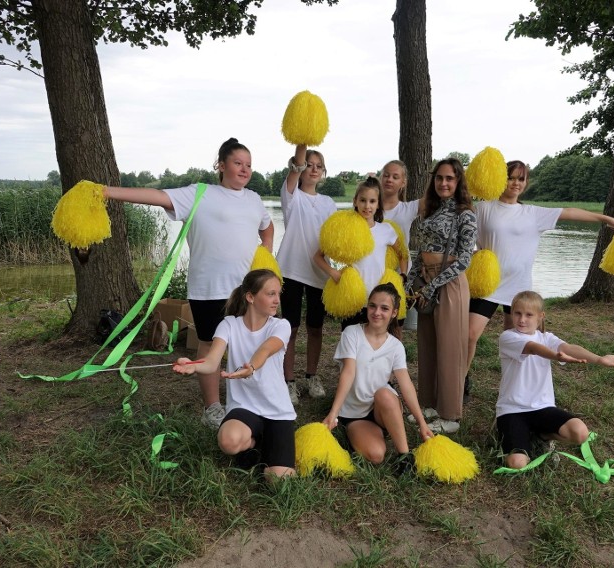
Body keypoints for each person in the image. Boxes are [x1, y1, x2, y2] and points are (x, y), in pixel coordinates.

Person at [104, 138, 273, 430]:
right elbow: (156, 196)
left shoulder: (254, 199)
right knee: (210, 348)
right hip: (210, 290)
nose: (245, 169)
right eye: (238, 163)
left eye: (248, 164)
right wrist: (106, 192)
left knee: (248, 346)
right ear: (221, 165)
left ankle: (245, 403)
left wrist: (266, 254)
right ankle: (212, 408)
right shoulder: (200, 194)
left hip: (247, 291)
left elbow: (267, 226)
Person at [467, 160, 614, 382]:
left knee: (521, 341)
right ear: (501, 179)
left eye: (521, 179)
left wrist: (603, 218)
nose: (516, 183)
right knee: (470, 335)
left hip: (519, 288)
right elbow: (463, 234)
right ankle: (460, 382)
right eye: (511, 177)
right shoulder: (483, 208)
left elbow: (569, 212)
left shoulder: (532, 213)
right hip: (488, 284)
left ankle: (516, 384)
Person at [172, 269, 295, 480]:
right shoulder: (229, 324)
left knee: (280, 481)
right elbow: (211, 362)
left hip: (278, 411)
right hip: (244, 407)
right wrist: (194, 366)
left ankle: (267, 445)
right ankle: (254, 444)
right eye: (271, 294)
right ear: (250, 297)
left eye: (278, 294)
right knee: (229, 442)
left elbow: (265, 349)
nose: (277, 300)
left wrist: (252, 367)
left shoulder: (281, 325)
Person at [496, 291, 614, 469]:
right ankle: (513, 438)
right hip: (512, 410)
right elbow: (533, 348)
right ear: (511, 313)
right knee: (517, 464)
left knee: (580, 433)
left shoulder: (547, 338)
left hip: (542, 407)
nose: (522, 319)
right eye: (517, 313)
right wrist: (556, 355)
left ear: (540, 317)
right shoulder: (507, 337)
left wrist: (599, 359)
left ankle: (542, 437)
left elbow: (569, 347)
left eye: (529, 315)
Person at [322, 283, 433, 472]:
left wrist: (422, 424)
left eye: (384, 308)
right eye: (372, 306)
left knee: (385, 393)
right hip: (356, 414)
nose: (377, 312)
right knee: (376, 455)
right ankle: (372, 432)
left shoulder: (396, 346)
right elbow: (348, 372)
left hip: (381, 407)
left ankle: (405, 457)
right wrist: (334, 413)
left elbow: (405, 384)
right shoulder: (352, 333)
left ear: (394, 313)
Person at [408, 158, 477, 434]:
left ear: (458, 181)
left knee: (450, 348)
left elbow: (464, 259)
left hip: (448, 283)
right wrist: (412, 283)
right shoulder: (427, 212)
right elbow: (418, 253)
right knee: (427, 345)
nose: (444, 183)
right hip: (425, 281)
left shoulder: (465, 214)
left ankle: (450, 414)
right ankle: (428, 404)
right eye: (439, 178)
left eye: (450, 178)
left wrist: (434, 285)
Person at [276, 143, 337, 405]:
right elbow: (295, 169)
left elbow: (337, 238)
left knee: (315, 327)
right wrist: (303, 140)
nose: (313, 169)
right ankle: (288, 381)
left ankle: (312, 376)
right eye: (308, 165)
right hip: (290, 270)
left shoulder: (329, 203)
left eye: (318, 166)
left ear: (324, 172)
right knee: (289, 328)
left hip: (319, 273)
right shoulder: (291, 195)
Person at [313, 176, 408, 330]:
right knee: (350, 340)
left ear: (378, 204)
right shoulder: (345, 229)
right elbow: (318, 256)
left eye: (372, 201)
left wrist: (402, 275)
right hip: (352, 297)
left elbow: (402, 254)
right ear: (355, 201)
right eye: (363, 200)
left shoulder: (386, 230)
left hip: (378, 298)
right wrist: (334, 273)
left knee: (376, 342)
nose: (367, 206)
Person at [380, 160, 424, 248]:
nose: (389, 179)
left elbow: (438, 195)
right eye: (386, 175)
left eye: (395, 177)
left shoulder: (409, 209)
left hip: (401, 261)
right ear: (380, 178)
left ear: (403, 183)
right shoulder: (367, 208)